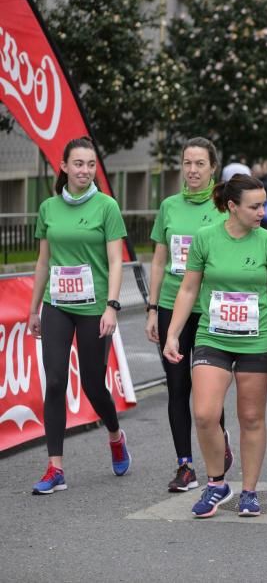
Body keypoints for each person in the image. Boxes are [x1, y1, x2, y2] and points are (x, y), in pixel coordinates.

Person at [163, 174, 267, 518]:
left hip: (257, 338)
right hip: (213, 335)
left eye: (263, 204)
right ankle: (217, 483)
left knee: (251, 417)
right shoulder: (206, 239)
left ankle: (249, 491)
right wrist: (174, 333)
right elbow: (189, 289)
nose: (262, 211)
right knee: (205, 414)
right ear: (232, 207)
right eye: (254, 206)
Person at [28, 137, 131, 494]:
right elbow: (43, 261)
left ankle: (116, 435)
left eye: (90, 164)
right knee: (54, 381)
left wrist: (112, 306)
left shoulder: (107, 207)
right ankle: (55, 467)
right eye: (79, 164)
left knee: (92, 385)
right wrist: (34, 308)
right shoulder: (48, 208)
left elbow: (116, 260)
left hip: (94, 307)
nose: (85, 170)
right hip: (57, 305)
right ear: (64, 166)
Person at [146, 138, 232, 492]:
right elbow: (159, 259)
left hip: (210, 308)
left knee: (208, 387)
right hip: (172, 305)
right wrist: (152, 308)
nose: (193, 170)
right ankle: (185, 465)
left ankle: (218, 446)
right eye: (187, 163)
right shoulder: (169, 206)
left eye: (200, 164)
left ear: (213, 168)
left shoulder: (225, 206)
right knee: (178, 385)